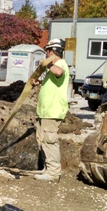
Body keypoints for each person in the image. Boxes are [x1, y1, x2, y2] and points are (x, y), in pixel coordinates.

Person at [32, 38, 70, 183]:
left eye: (47, 51)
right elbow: (54, 82)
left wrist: (47, 64)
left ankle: (53, 172)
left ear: (52, 51)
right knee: (42, 139)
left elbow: (59, 72)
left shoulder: (60, 64)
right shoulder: (54, 67)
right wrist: (39, 82)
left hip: (53, 111)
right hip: (45, 111)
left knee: (49, 140)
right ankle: (48, 168)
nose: (46, 54)